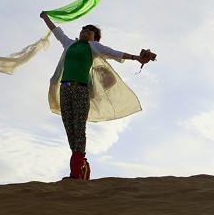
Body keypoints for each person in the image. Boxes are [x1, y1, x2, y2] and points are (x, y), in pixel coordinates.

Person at [40, 12, 152, 180]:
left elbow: (115, 53)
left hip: (81, 90)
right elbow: (56, 31)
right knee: (69, 128)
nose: (85, 31)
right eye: (84, 28)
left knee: (79, 128)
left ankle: (76, 173)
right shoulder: (69, 44)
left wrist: (136, 58)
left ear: (95, 37)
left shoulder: (94, 47)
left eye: (90, 30)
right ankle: (81, 163)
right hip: (65, 89)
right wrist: (45, 17)